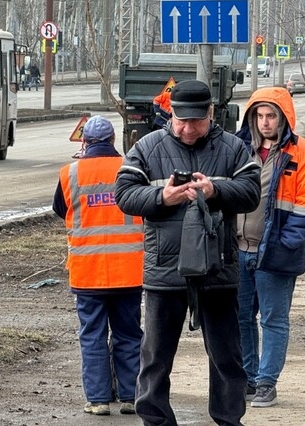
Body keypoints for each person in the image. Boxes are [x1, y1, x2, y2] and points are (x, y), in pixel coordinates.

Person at [114, 79, 261, 426]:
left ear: (211, 113)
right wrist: (161, 198)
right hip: (165, 270)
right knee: (155, 357)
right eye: (181, 120)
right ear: (171, 113)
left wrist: (215, 191)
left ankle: (229, 419)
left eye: (196, 120)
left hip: (217, 269)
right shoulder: (148, 147)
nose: (188, 127)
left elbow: (252, 193)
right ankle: (156, 420)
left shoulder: (233, 148)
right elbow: (123, 193)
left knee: (227, 356)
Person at [234, 87, 305, 408]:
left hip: (274, 252)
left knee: (273, 320)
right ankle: (247, 377)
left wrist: (284, 244)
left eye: (271, 115)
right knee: (241, 318)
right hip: (239, 250)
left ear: (284, 116)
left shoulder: (304, 154)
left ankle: (266, 382)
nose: (264, 122)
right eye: (259, 115)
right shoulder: (239, 149)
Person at [52, 115, 144, 417]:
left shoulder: (70, 173)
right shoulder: (131, 168)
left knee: (92, 335)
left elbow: (59, 209)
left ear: (84, 142)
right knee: (129, 334)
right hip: (129, 269)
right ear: (114, 140)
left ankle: (98, 400)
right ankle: (130, 396)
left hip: (88, 271)